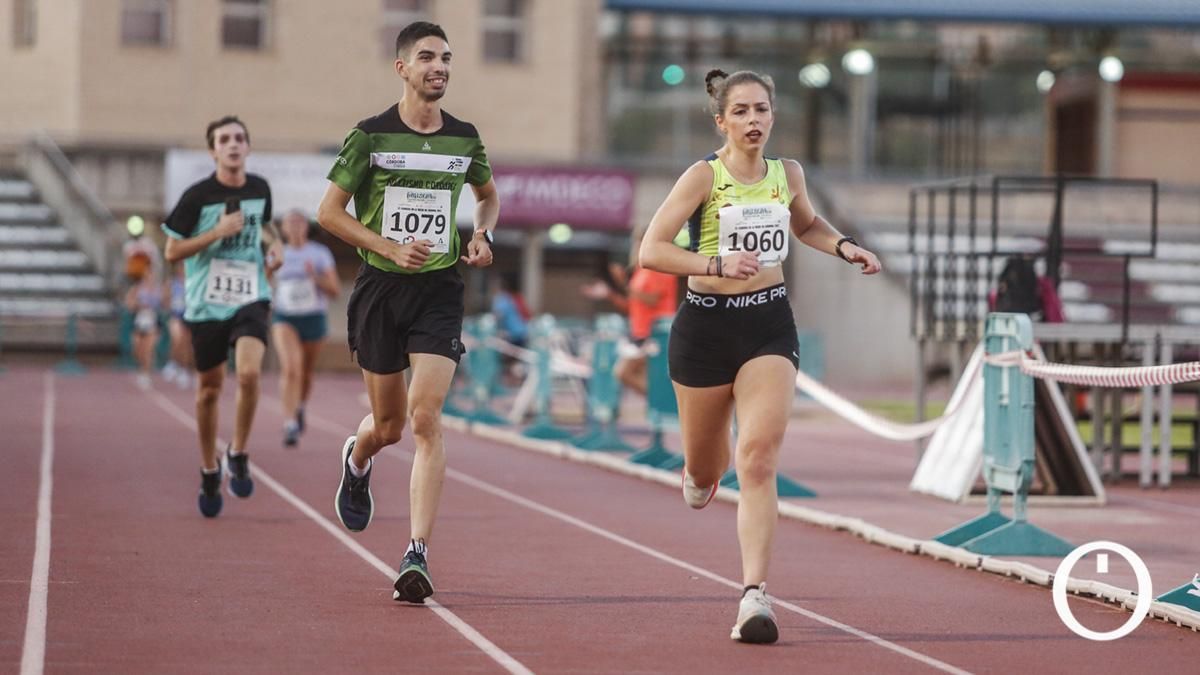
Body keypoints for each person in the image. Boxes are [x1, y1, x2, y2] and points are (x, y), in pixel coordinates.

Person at [638, 69, 882, 644]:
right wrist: (715, 265)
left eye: (762, 110)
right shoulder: (703, 176)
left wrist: (844, 246)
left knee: (758, 456)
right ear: (721, 120)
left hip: (768, 323)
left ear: (774, 116)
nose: (753, 121)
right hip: (703, 329)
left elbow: (807, 225)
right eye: (741, 111)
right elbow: (651, 250)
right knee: (707, 469)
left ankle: (754, 595)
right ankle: (700, 470)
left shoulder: (786, 173)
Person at [317, 21, 499, 604]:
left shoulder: (465, 138)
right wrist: (385, 244)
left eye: (446, 57)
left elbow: (486, 195)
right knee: (390, 427)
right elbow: (328, 213)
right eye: (427, 57)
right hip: (380, 289)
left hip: (439, 290)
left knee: (426, 419)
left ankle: (416, 552)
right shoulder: (369, 136)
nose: (439, 66)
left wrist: (482, 234)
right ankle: (358, 454)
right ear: (403, 68)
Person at [162, 115, 283, 519]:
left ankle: (239, 451)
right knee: (209, 389)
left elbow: (265, 228)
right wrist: (215, 233)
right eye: (224, 139)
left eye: (239, 138)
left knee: (249, 375)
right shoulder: (197, 197)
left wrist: (276, 245)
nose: (233, 145)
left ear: (247, 147)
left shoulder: (259, 188)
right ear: (213, 150)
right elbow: (172, 252)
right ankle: (209, 468)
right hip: (206, 302)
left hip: (251, 293)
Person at [270, 209, 340, 447]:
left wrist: (315, 277)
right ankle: (289, 423)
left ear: (307, 227)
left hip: (313, 316)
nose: (296, 226)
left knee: (306, 373)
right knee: (291, 368)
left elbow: (335, 290)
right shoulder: (278, 253)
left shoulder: (320, 254)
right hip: (285, 317)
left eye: (300, 222)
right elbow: (264, 279)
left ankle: (299, 406)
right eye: (291, 222)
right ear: (283, 228)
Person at [583, 225, 678, 395]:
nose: (636, 246)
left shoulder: (661, 266)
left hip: (655, 333)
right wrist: (610, 294)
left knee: (623, 372)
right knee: (640, 376)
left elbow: (652, 299)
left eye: (639, 241)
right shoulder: (641, 269)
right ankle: (660, 407)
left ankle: (663, 403)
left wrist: (622, 284)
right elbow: (631, 306)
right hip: (640, 332)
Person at [124, 269, 163, 390]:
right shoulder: (137, 289)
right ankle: (142, 367)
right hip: (139, 322)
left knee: (147, 350)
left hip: (152, 322)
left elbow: (165, 304)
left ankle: (145, 374)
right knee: (137, 349)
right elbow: (129, 304)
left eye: (151, 276)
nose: (149, 279)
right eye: (147, 276)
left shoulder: (158, 290)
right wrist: (138, 304)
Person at [163, 262, 194, 388]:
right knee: (177, 339)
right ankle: (173, 362)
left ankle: (184, 369)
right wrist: (169, 304)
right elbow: (165, 299)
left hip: (188, 315)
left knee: (187, 345)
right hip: (175, 315)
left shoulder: (192, 282)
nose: (182, 270)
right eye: (180, 267)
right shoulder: (171, 283)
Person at [491, 272, 529, 347]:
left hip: (514, 335)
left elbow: (498, 316)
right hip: (522, 333)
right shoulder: (510, 298)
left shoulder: (501, 298)